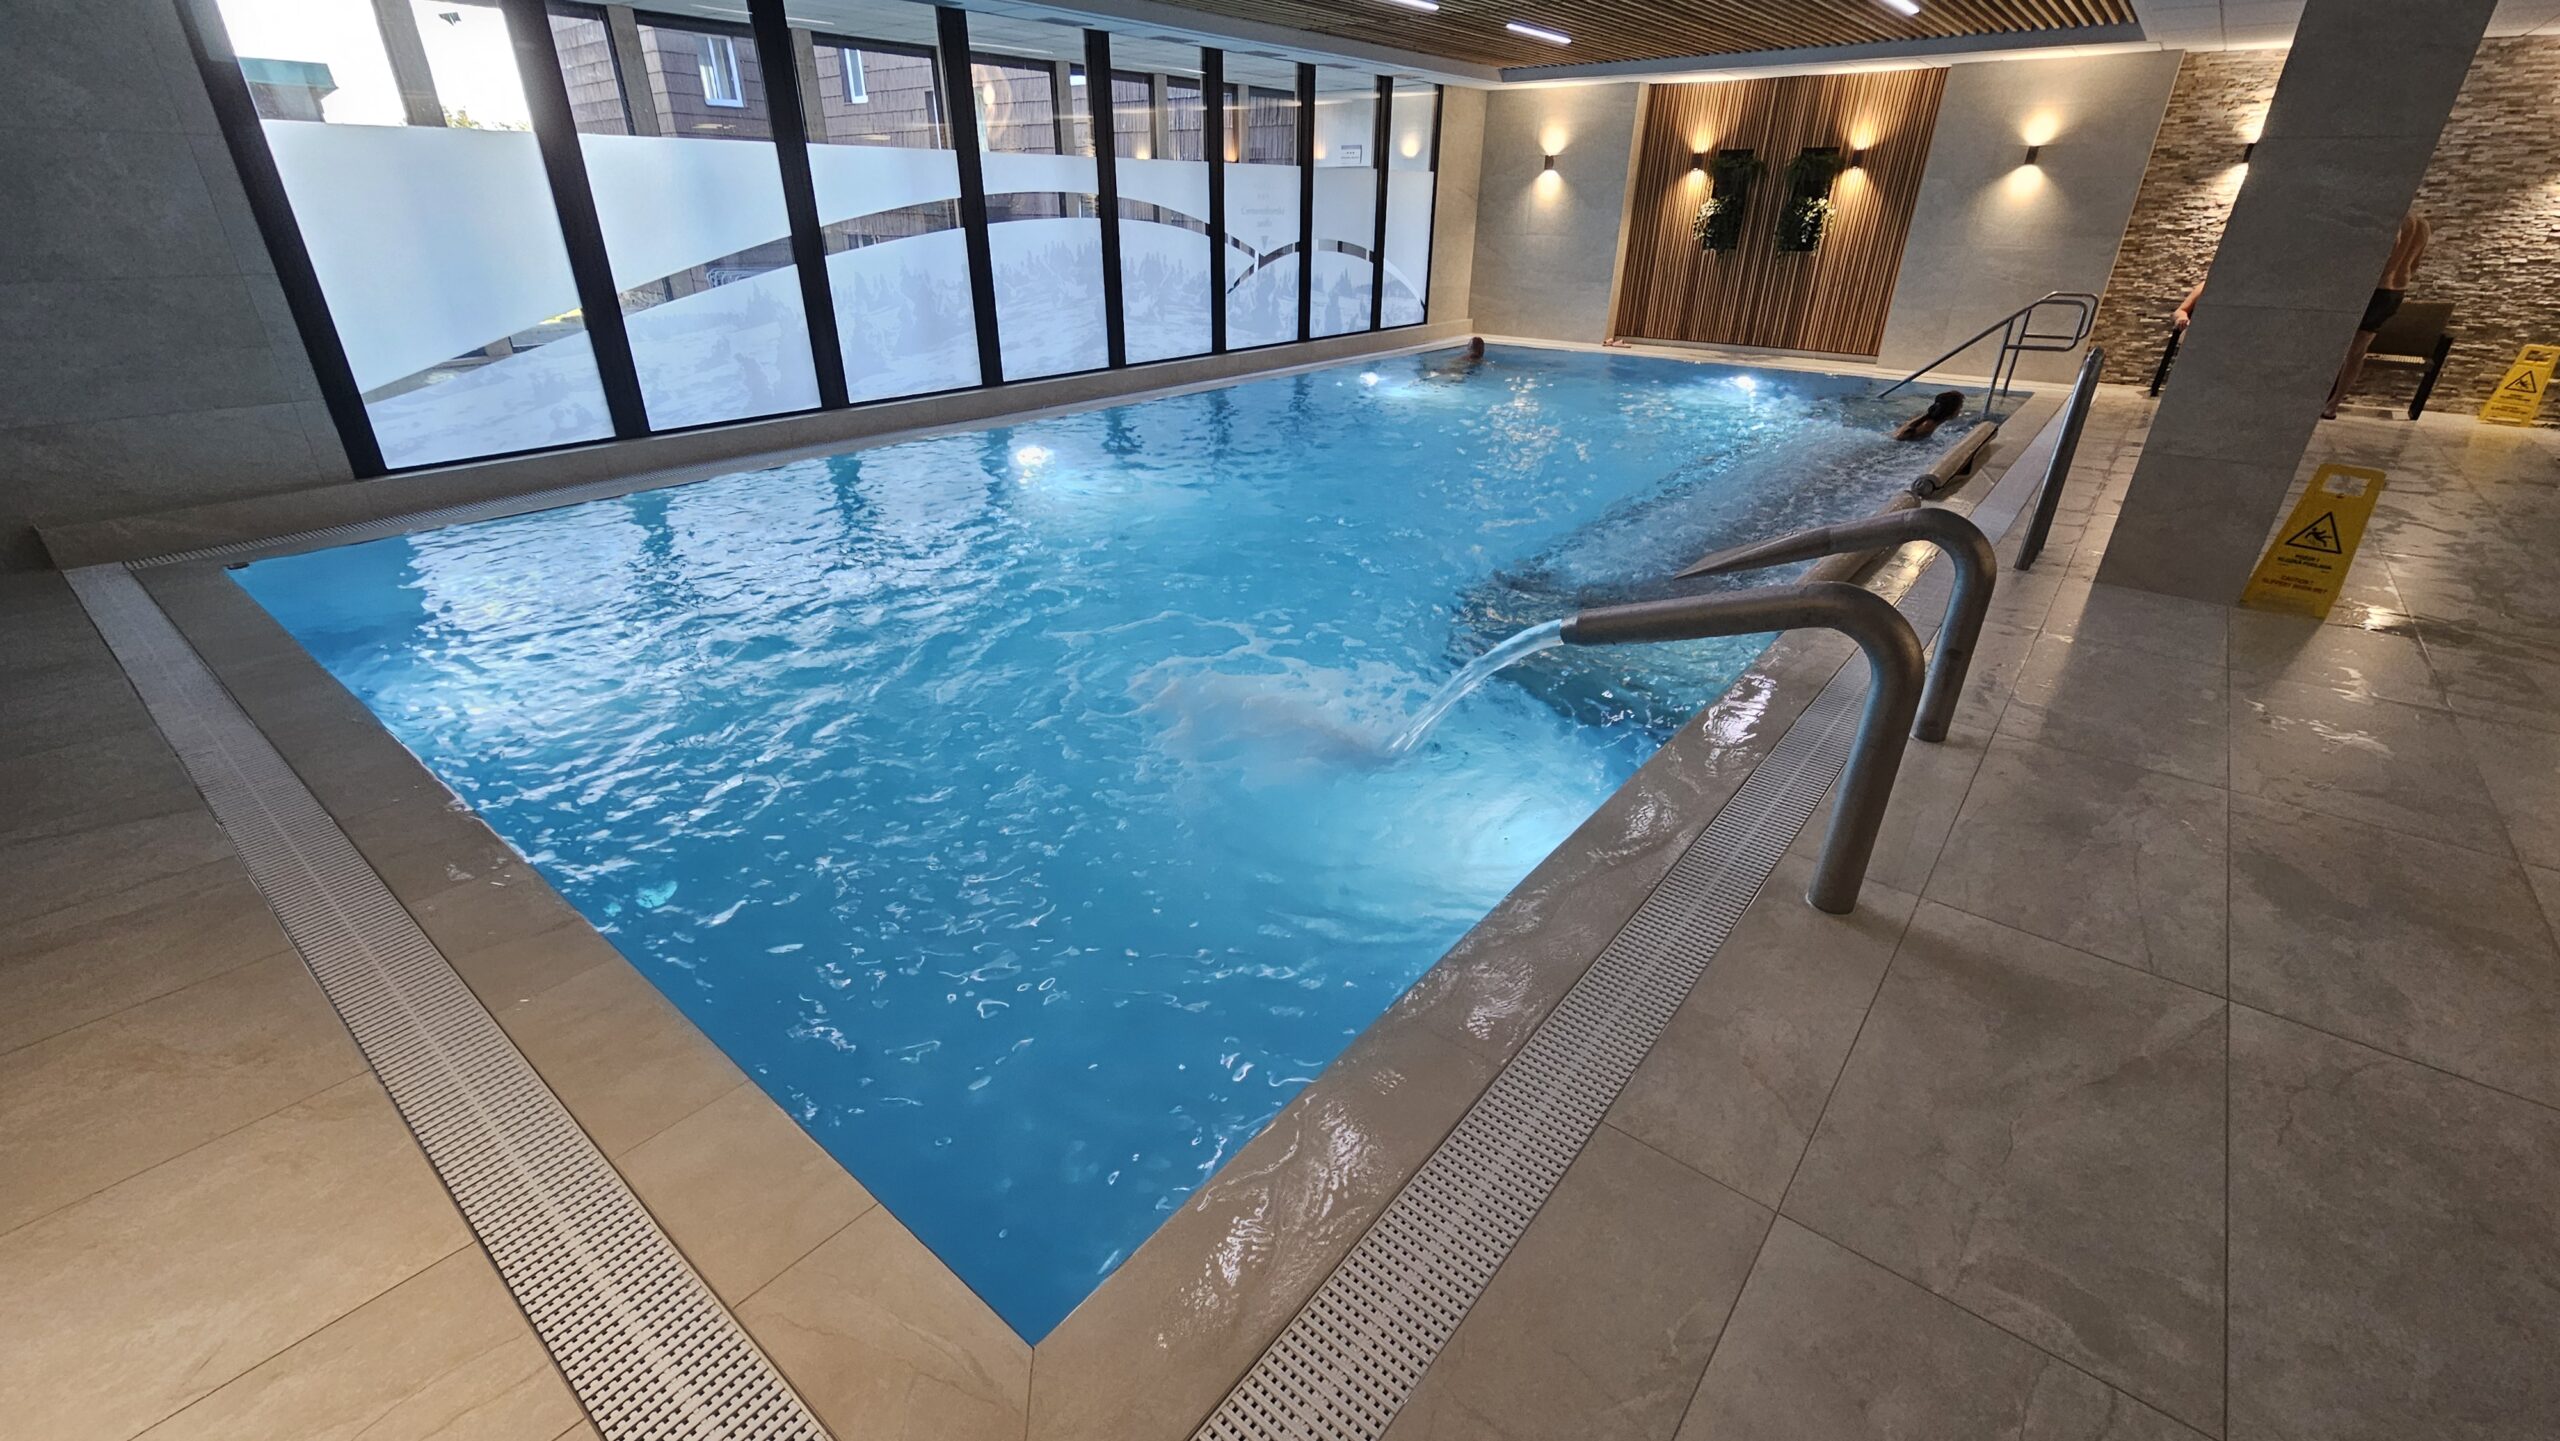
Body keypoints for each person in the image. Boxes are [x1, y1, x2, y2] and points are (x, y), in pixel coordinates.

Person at [2324, 210, 2430, 419]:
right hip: (2395, 292)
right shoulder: (2423, 225)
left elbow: (2388, 251)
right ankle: (2333, 405)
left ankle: (2319, 399)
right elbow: (2415, 264)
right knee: (2357, 352)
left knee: (2335, 345)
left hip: (2375, 288)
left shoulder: (2396, 219)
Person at [1894, 389, 1966, 441]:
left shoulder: (1929, 418)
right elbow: (1899, 437)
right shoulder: (1928, 425)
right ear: (1951, 411)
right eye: (1959, 408)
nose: (1960, 411)